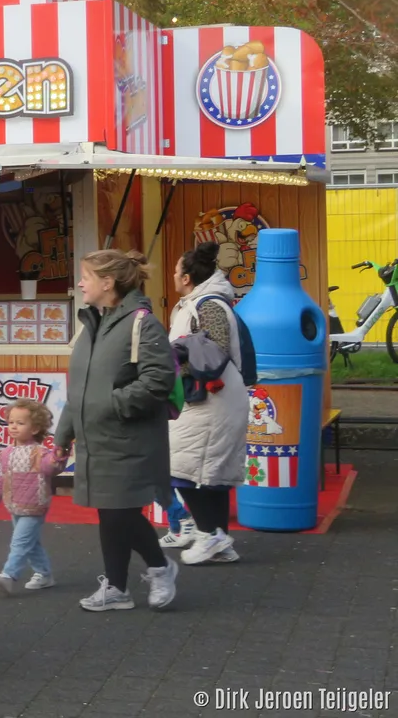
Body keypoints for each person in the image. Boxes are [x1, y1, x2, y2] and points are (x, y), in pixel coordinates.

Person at [54, 249, 179, 612]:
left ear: (108, 283)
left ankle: (160, 567)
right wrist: (64, 436)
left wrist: (111, 405)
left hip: (128, 439)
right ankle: (117, 587)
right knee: (109, 511)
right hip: (98, 439)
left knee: (120, 511)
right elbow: (78, 392)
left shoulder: (142, 323)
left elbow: (159, 380)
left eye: (86, 277)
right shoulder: (95, 323)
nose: (80, 283)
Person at [166, 241, 248, 564]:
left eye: (176, 271)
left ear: (187, 278)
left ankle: (210, 534)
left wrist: (169, 368)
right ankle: (219, 541)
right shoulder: (203, 302)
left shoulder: (207, 304)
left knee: (179, 469)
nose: (173, 275)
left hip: (212, 398)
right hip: (216, 397)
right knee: (212, 474)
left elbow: (215, 351)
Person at [0, 399, 66, 594]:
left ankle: (9, 575)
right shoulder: (5, 453)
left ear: (35, 428)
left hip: (34, 506)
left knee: (20, 542)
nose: (13, 426)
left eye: (20, 423)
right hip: (14, 505)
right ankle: (44, 574)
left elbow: (51, 467)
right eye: (11, 422)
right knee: (31, 542)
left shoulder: (40, 453)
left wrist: (59, 456)